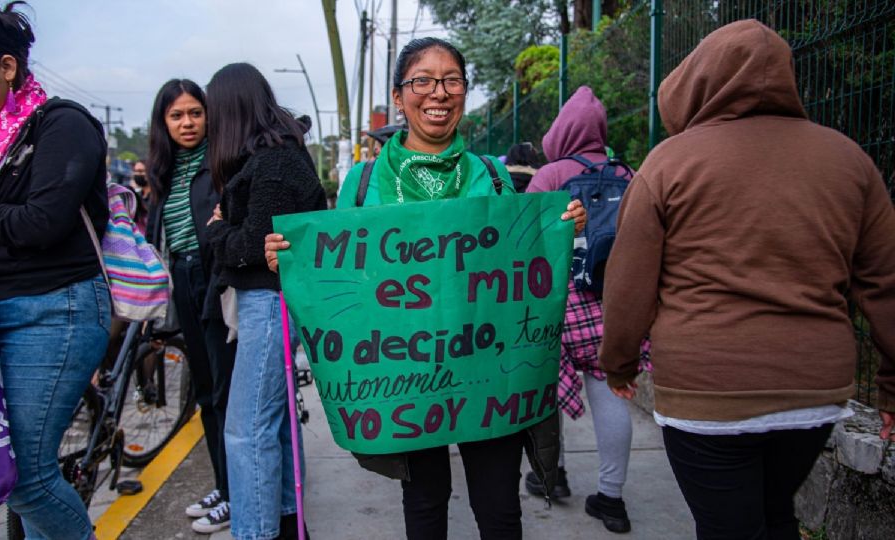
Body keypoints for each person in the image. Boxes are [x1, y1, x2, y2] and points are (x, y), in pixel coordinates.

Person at [265, 37, 586, 540]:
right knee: (424, 501)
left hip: (487, 371)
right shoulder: (364, 183)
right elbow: (342, 276)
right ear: (399, 96)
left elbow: (522, 260)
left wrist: (562, 226)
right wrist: (290, 256)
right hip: (403, 374)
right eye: (422, 81)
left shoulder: (493, 176)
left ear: (463, 90)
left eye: (451, 80)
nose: (438, 92)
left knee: (499, 506)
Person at [599, 20, 895, 540]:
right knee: (778, 514)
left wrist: (618, 363)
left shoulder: (669, 163)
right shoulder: (849, 159)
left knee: (726, 526)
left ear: (699, 80)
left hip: (706, 391)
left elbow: (629, 286)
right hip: (814, 389)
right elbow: (885, 282)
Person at [0, 3, 110, 538]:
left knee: (25, 479)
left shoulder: (63, 123)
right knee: (21, 475)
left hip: (55, 311)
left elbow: (43, 221)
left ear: (6, 67)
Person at [205, 62, 327, 540]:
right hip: (270, 303)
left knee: (247, 431)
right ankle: (283, 525)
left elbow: (256, 246)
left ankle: (257, 533)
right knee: (271, 428)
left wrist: (217, 231)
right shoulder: (277, 154)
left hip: (268, 303)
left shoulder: (273, 162)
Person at [524, 85, 650, 533]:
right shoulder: (629, 173)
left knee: (548, 393)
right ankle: (611, 499)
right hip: (611, 302)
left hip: (557, 303)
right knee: (613, 393)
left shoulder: (551, 175)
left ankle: (549, 476)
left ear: (562, 130)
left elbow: (526, 240)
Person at [145, 78, 236, 534]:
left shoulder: (220, 163)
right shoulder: (162, 171)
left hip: (214, 278)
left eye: (195, 113)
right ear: (163, 122)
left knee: (224, 390)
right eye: (177, 115)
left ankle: (239, 493)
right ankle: (225, 483)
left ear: (208, 116)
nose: (187, 123)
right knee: (203, 392)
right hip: (182, 276)